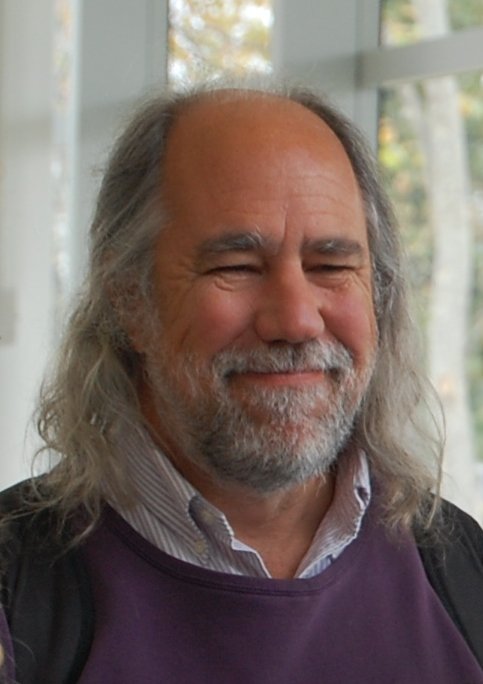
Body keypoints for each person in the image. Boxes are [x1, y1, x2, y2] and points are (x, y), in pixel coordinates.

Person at [1, 80, 483, 683]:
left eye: (331, 265)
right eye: (236, 266)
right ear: (129, 299)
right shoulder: (15, 587)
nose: (297, 320)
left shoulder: (459, 569)